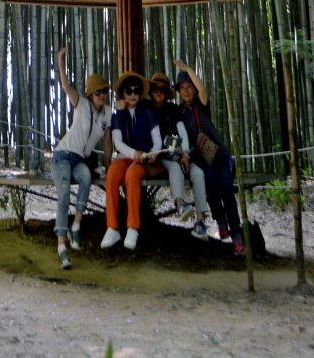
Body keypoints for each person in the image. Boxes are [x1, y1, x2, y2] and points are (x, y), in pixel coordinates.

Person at [174, 59, 245, 255]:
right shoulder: (179, 113)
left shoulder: (200, 105)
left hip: (219, 157)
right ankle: (220, 219)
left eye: (190, 86)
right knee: (210, 183)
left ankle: (237, 234)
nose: (187, 91)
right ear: (179, 91)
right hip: (201, 160)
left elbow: (203, 90)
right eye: (183, 87)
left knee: (227, 192)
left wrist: (188, 69)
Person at [52, 47, 112, 269]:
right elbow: (66, 86)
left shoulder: (108, 112)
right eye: (97, 92)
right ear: (89, 94)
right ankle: (61, 246)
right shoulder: (81, 103)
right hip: (62, 156)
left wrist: (108, 169)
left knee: (86, 177)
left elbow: (107, 143)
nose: (101, 96)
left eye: (104, 91)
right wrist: (60, 60)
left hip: (81, 161)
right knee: (65, 191)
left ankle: (75, 226)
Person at [101, 71, 162, 252]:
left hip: (143, 159)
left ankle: (133, 228)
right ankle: (112, 228)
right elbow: (118, 143)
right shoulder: (117, 115)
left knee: (132, 174)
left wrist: (152, 152)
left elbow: (157, 139)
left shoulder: (148, 113)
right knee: (112, 173)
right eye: (129, 91)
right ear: (123, 94)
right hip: (125, 156)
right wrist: (133, 153)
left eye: (136, 91)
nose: (133, 94)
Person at [148, 72, 209, 240]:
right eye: (155, 89)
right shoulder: (145, 107)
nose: (158, 92)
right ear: (150, 91)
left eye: (162, 89)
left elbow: (181, 130)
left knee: (198, 173)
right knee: (175, 167)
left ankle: (201, 222)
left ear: (167, 93)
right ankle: (180, 205)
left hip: (176, 150)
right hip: (156, 155)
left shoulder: (173, 109)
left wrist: (186, 154)